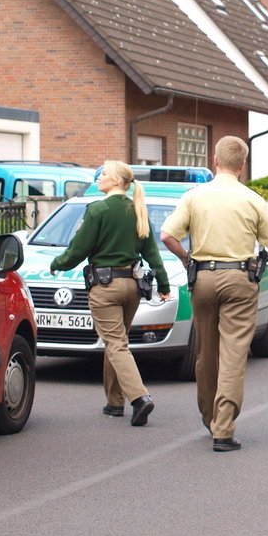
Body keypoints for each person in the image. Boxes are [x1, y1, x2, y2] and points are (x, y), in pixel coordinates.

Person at [160, 136, 268, 453]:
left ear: (215, 160)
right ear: (242, 166)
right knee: (233, 355)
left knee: (206, 353)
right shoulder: (253, 200)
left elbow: (167, 236)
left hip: (203, 278)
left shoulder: (194, 197)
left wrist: (188, 259)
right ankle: (223, 429)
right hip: (240, 279)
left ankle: (209, 416)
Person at [49, 160, 171, 425]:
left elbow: (78, 250)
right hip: (131, 287)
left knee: (115, 343)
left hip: (105, 287)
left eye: (104, 174)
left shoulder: (98, 209)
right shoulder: (137, 210)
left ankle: (139, 399)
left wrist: (57, 264)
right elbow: (152, 253)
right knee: (118, 342)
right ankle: (114, 402)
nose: (99, 177)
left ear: (117, 181)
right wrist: (163, 285)